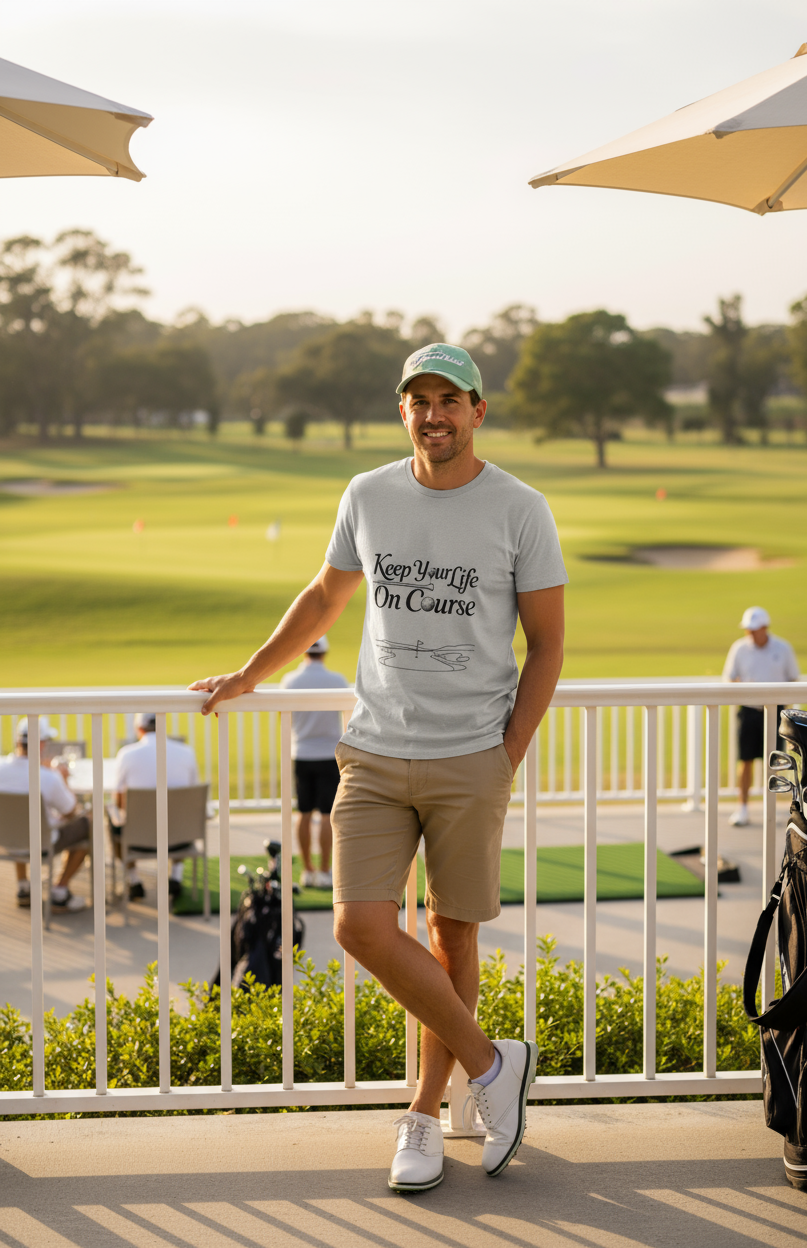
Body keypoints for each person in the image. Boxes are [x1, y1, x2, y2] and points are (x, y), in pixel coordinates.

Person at [190, 341, 567, 1192]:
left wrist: (505, 754)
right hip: (374, 751)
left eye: (450, 400)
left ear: (477, 411)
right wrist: (250, 674)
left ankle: (425, 1116)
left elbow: (547, 645)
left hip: (472, 756)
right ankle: (493, 1064)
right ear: (403, 411)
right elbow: (325, 596)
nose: (434, 415)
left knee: (452, 935)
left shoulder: (521, 508)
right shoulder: (367, 493)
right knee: (358, 925)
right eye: (418, 401)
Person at [280, 635, 349, 889]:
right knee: (328, 814)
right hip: (330, 754)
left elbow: (283, 717)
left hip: (302, 753)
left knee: (304, 813)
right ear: (325, 652)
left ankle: (308, 870)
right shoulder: (337, 680)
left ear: (303, 651)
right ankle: (324, 870)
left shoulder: (290, 681)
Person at [0, 717, 89, 912]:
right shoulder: (48, 777)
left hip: (7, 841)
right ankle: (60, 891)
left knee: (18, 823)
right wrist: (64, 780)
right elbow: (71, 811)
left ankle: (23, 886)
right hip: (42, 842)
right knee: (87, 825)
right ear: (41, 744)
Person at [723, 606, 800, 826]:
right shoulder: (739, 648)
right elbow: (729, 678)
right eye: (748, 628)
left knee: (775, 762)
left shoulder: (782, 648)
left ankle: (771, 808)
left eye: (754, 628)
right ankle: (743, 808)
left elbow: (793, 678)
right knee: (745, 760)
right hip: (748, 710)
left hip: (776, 712)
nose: (750, 632)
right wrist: (745, 687)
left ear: (765, 627)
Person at [111, 713, 200, 900]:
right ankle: (176, 876)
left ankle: (133, 879)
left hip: (138, 840)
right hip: (180, 838)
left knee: (112, 822)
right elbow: (193, 798)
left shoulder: (126, 754)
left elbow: (118, 801)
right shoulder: (187, 752)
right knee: (180, 815)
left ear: (139, 729)